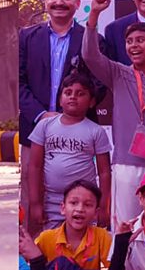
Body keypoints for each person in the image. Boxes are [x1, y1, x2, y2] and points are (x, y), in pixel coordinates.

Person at [19, 0, 107, 235]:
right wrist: (42, 115)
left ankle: (78, 261)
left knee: (78, 198)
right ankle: (35, 260)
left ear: (77, 4)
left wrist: (73, 115)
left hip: (77, 134)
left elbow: (99, 85)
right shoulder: (26, 37)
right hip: (34, 130)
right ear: (46, 1)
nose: (60, 2)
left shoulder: (93, 40)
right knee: (32, 195)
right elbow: (17, 81)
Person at [82, 0, 145, 231]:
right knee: (125, 227)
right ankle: (121, 268)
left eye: (140, 40)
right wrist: (94, 15)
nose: (133, 46)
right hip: (125, 165)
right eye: (129, 41)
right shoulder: (118, 74)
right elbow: (90, 56)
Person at [27, 73, 112, 237]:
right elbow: (34, 166)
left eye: (80, 94)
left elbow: (104, 172)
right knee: (53, 246)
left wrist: (103, 207)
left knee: (85, 247)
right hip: (52, 203)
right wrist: (35, 203)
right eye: (68, 93)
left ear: (91, 102)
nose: (73, 97)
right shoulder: (45, 126)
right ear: (60, 99)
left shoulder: (96, 131)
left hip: (85, 204)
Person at [33, 180, 113, 270]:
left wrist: (122, 240)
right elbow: (30, 267)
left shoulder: (102, 236)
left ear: (96, 213)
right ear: (63, 208)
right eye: (74, 203)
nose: (80, 209)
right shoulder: (46, 238)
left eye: (87, 205)